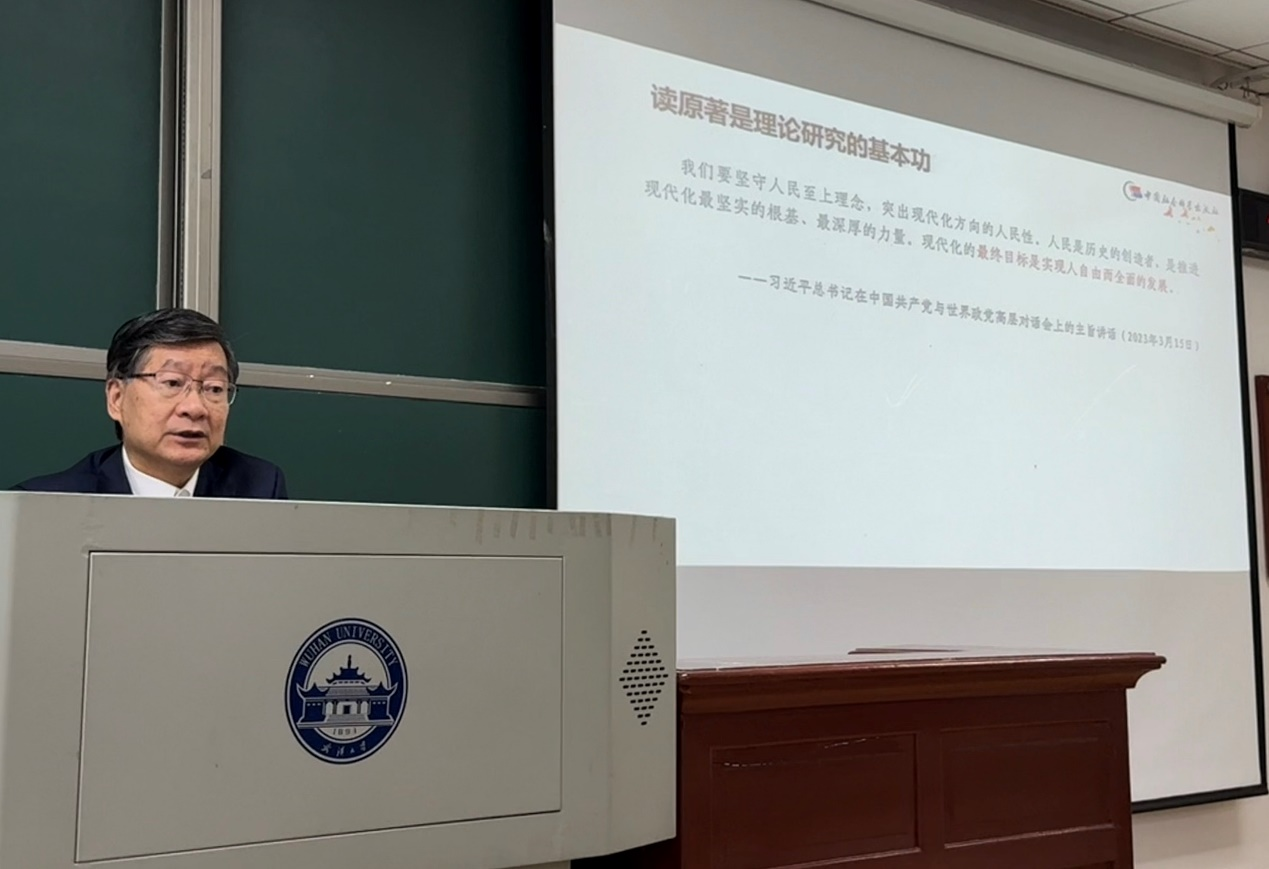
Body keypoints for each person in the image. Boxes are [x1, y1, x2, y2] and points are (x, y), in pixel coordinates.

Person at [13, 308, 287, 498]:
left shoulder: (259, 486)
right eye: (172, 383)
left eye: (214, 388)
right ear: (117, 398)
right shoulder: (46, 504)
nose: (195, 408)